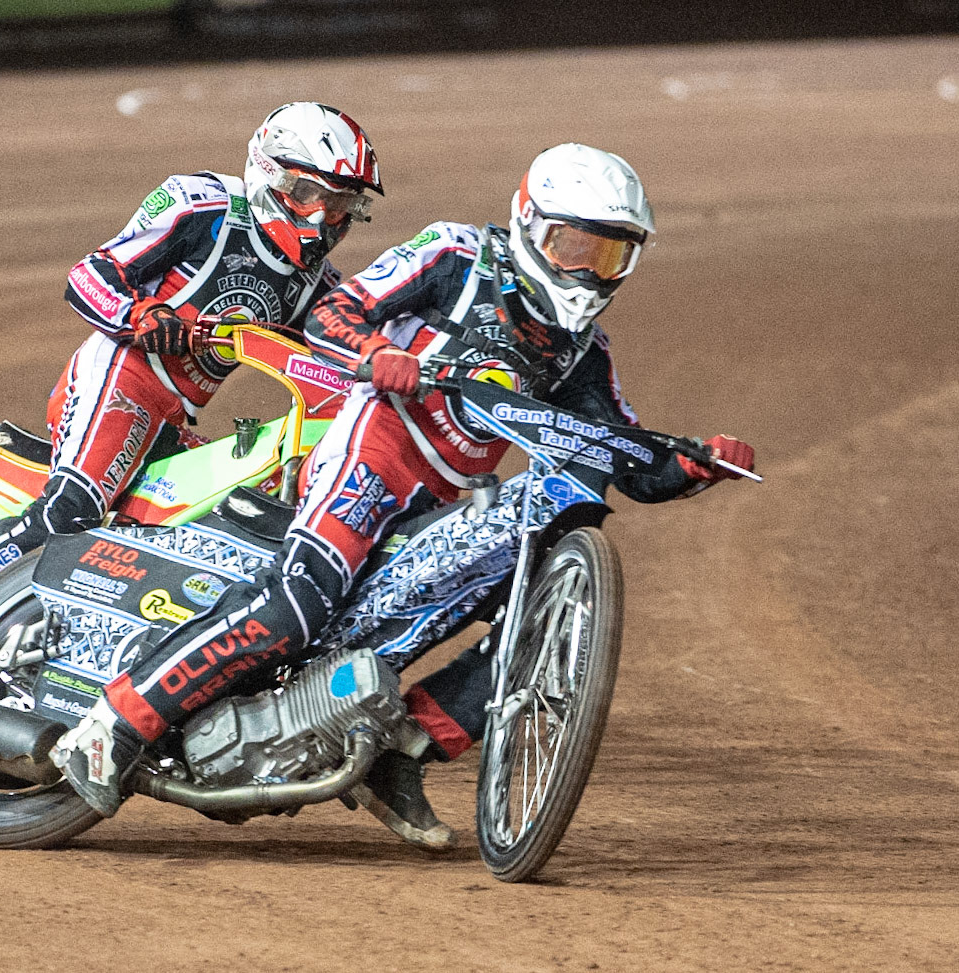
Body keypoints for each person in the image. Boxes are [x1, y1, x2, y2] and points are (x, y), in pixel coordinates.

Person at [51, 143, 756, 851]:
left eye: (607, 256)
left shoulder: (581, 352)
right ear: (527, 222)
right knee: (298, 602)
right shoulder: (454, 255)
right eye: (570, 246)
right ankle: (112, 725)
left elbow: (625, 459)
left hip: (444, 503)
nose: (584, 271)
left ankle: (405, 753)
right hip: (371, 455)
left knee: (529, 611)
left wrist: (695, 465)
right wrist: (376, 353)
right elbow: (337, 312)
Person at [0, 103, 384, 694]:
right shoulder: (203, 205)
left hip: (177, 417)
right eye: (309, 194)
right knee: (70, 512)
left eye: (340, 205)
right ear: (270, 173)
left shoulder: (320, 285)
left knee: (191, 536)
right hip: (121, 375)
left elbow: (339, 358)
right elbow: (90, 275)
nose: (323, 217)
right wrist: (140, 314)